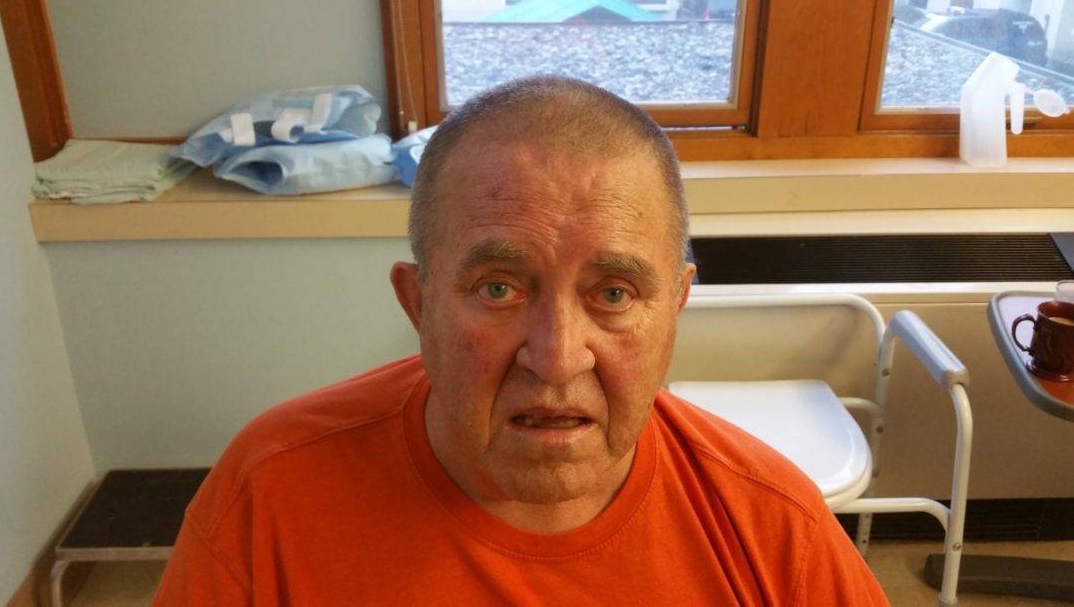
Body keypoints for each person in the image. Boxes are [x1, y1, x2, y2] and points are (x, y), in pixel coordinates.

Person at [154, 76, 889, 605]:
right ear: (418, 306)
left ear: (676, 307)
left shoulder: (776, 532)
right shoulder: (270, 493)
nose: (558, 358)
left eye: (613, 294)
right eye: (498, 289)